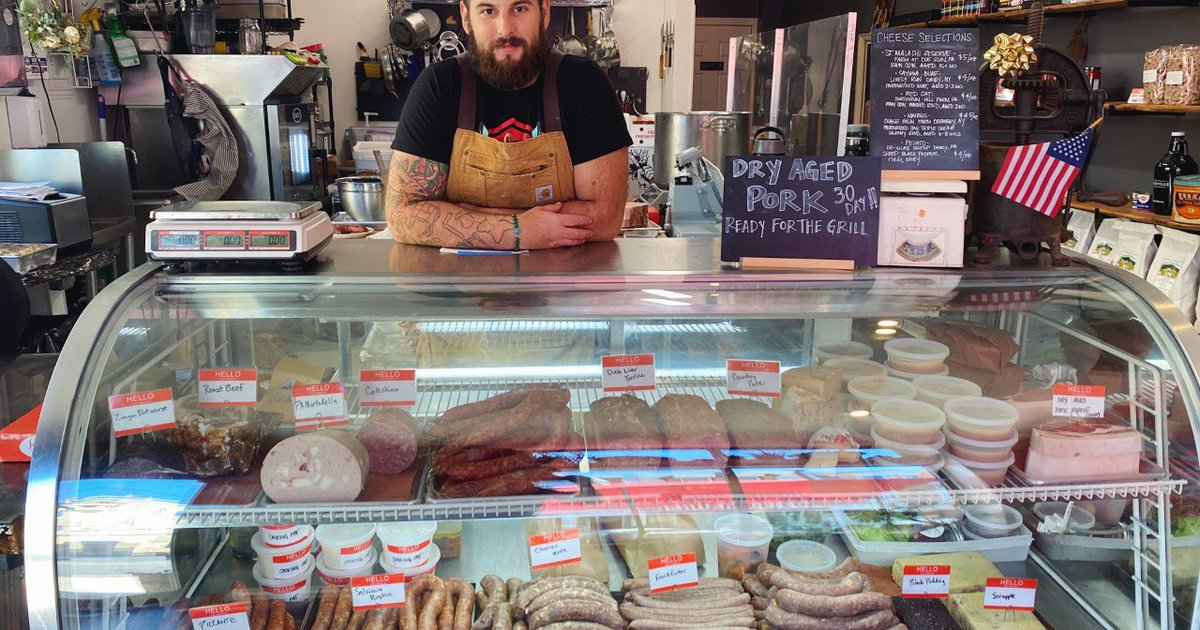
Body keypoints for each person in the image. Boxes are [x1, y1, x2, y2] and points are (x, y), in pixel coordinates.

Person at [386, 0, 632, 250]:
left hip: (560, 284)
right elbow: (403, 216)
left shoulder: (584, 84)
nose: (505, 30)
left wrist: (469, 214)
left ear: (544, 13)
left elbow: (605, 220)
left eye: (520, 8)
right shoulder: (439, 85)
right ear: (466, 17)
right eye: (488, 11)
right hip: (461, 284)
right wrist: (519, 229)